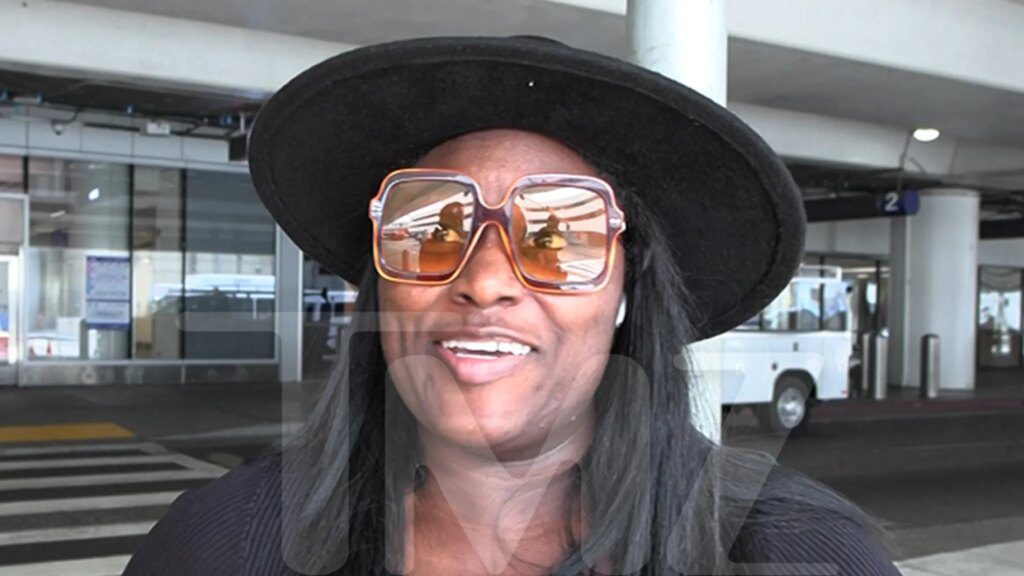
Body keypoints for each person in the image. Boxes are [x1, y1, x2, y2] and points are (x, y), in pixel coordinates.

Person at [123, 37, 899, 575]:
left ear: (626, 289)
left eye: (558, 235)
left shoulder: (793, 554)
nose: (486, 280)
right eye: (432, 228)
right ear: (381, 285)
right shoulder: (220, 549)